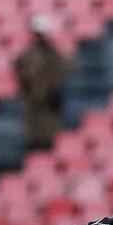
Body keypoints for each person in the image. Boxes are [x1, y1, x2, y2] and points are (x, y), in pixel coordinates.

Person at [14, 16, 69, 151]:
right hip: (34, 107)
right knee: (34, 141)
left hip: (49, 107)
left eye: (42, 34)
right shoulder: (27, 56)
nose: (40, 37)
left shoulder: (55, 55)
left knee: (48, 141)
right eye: (38, 34)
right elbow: (21, 74)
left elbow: (60, 75)